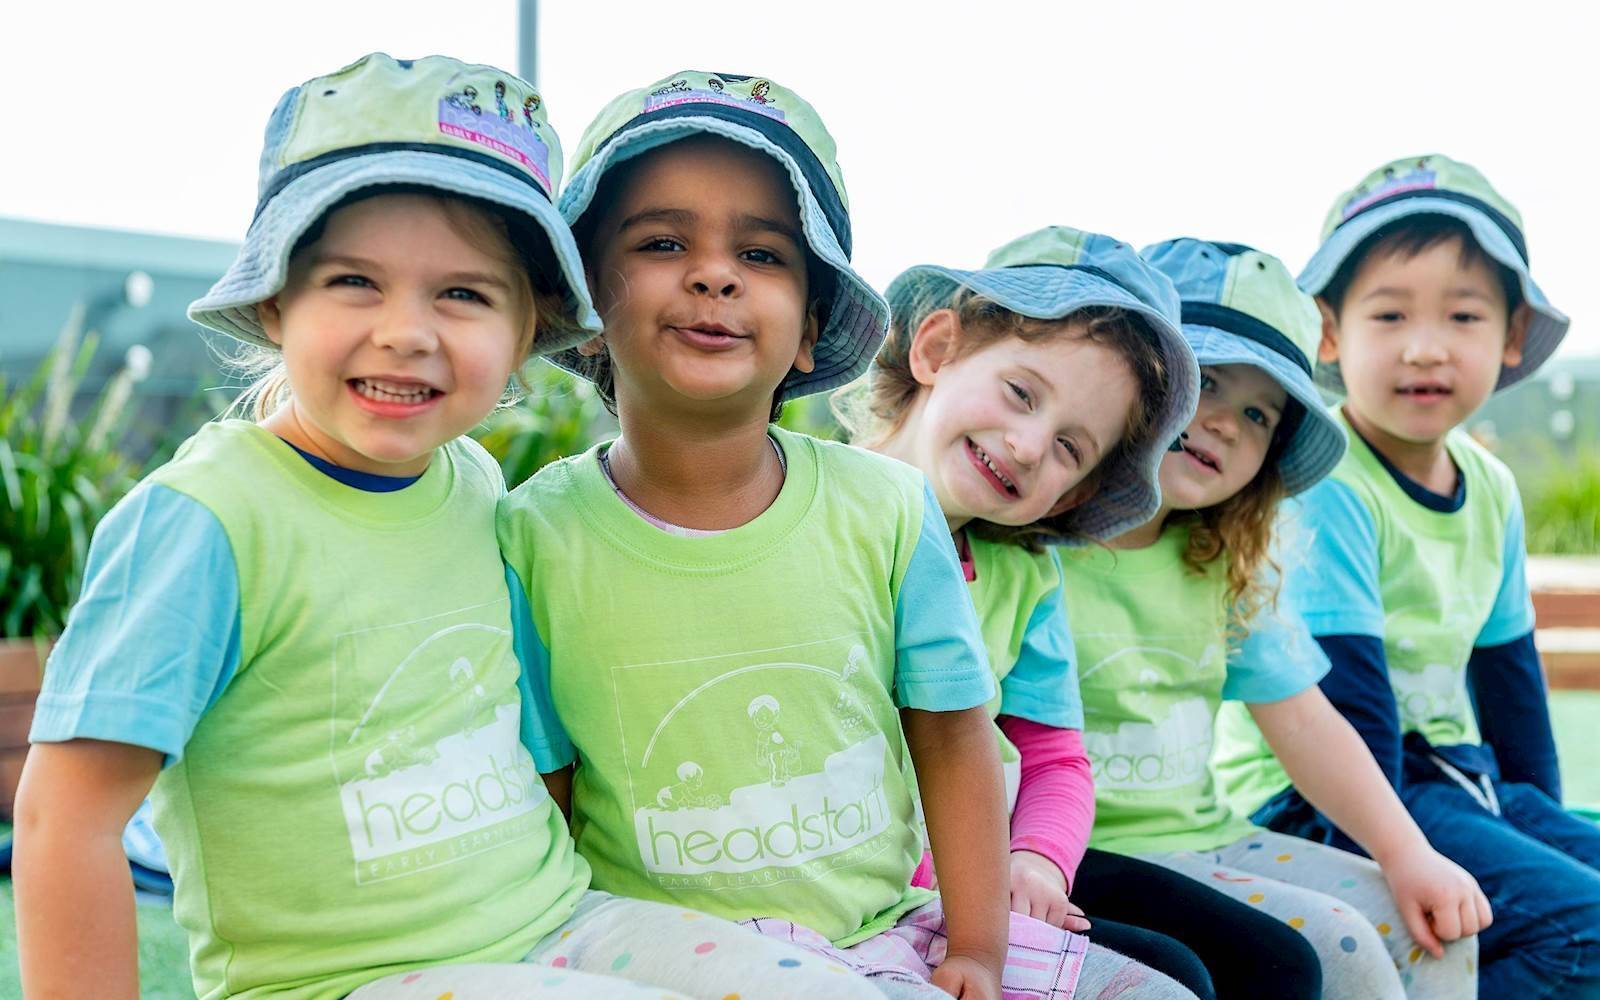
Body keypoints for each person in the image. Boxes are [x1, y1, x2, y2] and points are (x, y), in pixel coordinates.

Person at [14, 53, 871, 1000]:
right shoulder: (208, 521)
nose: (408, 332)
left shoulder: (472, 485)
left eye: (464, 294)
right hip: (346, 979)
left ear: (530, 328)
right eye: (354, 281)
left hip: (558, 924)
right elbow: (65, 819)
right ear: (275, 299)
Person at [500, 71, 1119, 999]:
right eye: (663, 242)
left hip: (887, 932)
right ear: (589, 309)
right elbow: (545, 783)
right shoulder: (533, 535)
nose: (715, 275)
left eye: (761, 254)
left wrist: (977, 950)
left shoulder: (888, 510)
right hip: (657, 957)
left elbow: (954, 738)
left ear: (808, 332)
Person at [1213, 154, 1600, 997]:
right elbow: (1350, 709)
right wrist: (1403, 854)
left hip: (1453, 776)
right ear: (1329, 333)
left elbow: (1512, 689)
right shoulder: (1330, 483)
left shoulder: (1489, 486)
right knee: (1585, 927)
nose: (1425, 348)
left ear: (1510, 336)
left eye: (1463, 315)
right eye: (1389, 315)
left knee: (1579, 881)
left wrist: (1535, 829)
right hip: (1325, 797)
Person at [1061, 238, 1487, 998]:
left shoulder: (1222, 561)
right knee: (1338, 948)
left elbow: (1306, 723)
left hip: (1208, 837)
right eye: (1207, 382)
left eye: (1258, 413)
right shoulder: (1038, 548)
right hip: (1076, 853)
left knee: (1429, 931)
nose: (1226, 423)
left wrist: (1407, 853)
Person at [847, 226, 1232, 998]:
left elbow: (1055, 757)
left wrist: (1036, 860)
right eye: (1021, 393)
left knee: (1228, 967)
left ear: (1074, 493)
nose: (1027, 446)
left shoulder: (1025, 576)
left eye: (1069, 448)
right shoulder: (815, 513)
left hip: (975, 890)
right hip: (863, 894)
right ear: (936, 349)